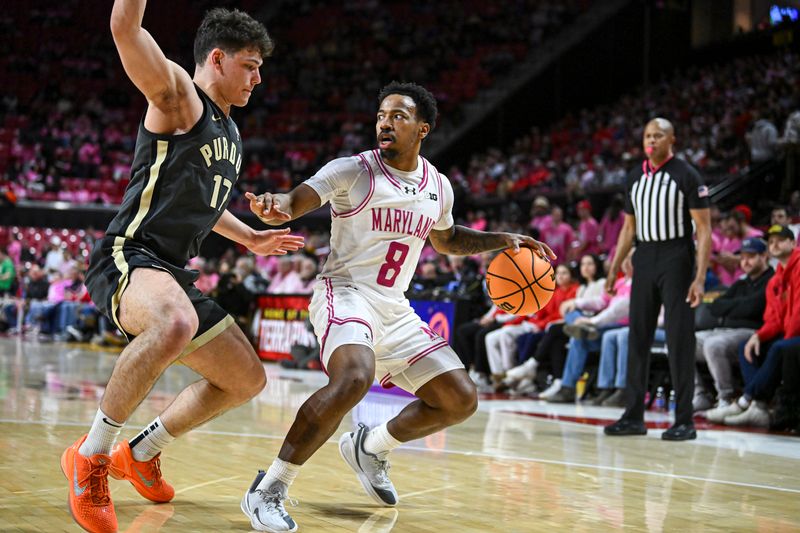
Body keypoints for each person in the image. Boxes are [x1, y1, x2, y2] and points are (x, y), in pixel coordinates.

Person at [241, 81, 555, 532]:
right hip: (345, 292)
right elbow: (295, 201)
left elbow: (446, 240)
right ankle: (269, 488)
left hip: (395, 308)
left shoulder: (438, 187)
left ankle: (371, 446)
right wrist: (276, 205)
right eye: (381, 116)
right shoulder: (352, 170)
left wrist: (501, 240)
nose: (384, 123)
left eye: (397, 116)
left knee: (460, 399)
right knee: (353, 377)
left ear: (422, 129)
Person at [60, 5, 304, 533]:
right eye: (250, 64)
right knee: (174, 322)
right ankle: (92, 456)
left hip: (169, 271)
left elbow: (206, 206)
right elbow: (125, 29)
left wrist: (251, 238)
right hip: (129, 253)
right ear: (216, 59)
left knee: (246, 378)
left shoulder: (230, 133)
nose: (259, 77)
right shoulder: (179, 99)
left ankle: (141, 453)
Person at [604, 117, 712, 441]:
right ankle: (634, 416)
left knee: (680, 339)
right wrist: (614, 266)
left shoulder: (686, 175)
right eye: (647, 135)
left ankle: (684, 420)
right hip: (645, 256)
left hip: (677, 256)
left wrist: (700, 278)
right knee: (637, 336)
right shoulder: (635, 177)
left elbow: (705, 230)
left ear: (671, 139)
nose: (651, 140)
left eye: (658, 135)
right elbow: (628, 228)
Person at [704, 225, 800, 427]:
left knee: (779, 348)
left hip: (794, 335)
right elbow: (773, 318)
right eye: (771, 241)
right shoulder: (775, 281)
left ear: (793, 243)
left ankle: (745, 401)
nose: (775, 244)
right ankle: (758, 406)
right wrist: (759, 336)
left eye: (780, 240)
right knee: (747, 347)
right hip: (788, 335)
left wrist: (785, 338)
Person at [693, 237, 773, 412]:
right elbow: (715, 307)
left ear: (764, 256)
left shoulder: (771, 280)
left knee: (713, 344)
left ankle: (726, 398)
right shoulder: (741, 283)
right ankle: (699, 394)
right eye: (742, 257)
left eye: (751, 256)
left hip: (752, 333)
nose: (745, 261)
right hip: (725, 330)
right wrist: (740, 307)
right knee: (680, 342)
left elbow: (755, 308)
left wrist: (732, 309)